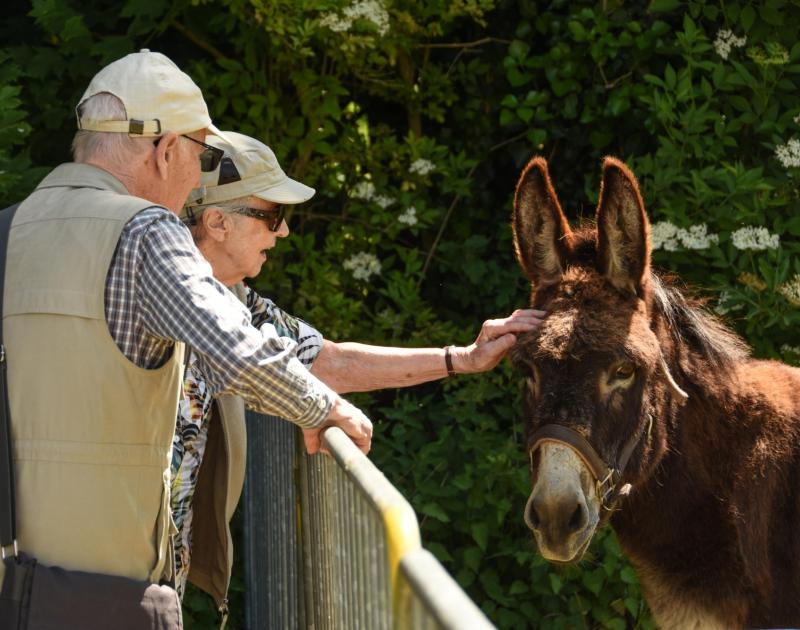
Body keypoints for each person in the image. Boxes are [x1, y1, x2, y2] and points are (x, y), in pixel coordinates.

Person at [1, 49, 372, 625]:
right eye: (201, 156)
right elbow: (239, 351)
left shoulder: (9, 228)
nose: (199, 180)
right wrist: (322, 409)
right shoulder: (148, 231)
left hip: (13, 584)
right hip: (106, 595)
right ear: (166, 149)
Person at [172, 131, 546, 609]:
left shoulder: (234, 299)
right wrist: (321, 408)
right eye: (272, 216)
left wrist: (462, 358)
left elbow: (331, 361)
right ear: (217, 222)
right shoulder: (173, 291)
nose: (283, 232)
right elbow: (254, 367)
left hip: (157, 572)